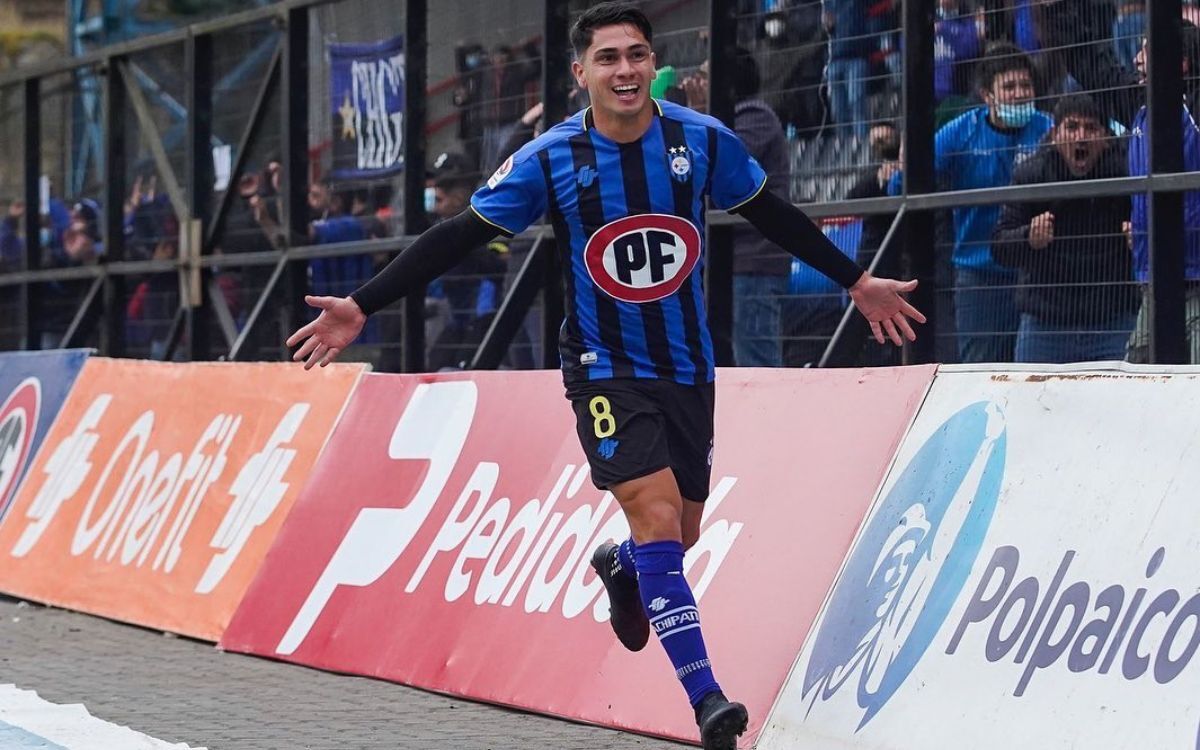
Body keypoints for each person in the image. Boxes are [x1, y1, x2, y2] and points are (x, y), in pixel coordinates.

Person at [284, 4, 924, 747]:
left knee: (675, 536)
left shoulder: (700, 140)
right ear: (580, 72)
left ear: (654, 65)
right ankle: (708, 700)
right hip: (603, 365)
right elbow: (460, 235)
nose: (625, 70)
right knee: (654, 516)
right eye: (610, 58)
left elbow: (772, 216)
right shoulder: (552, 158)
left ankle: (623, 570)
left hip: (686, 364)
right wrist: (362, 305)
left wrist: (855, 281)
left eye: (638, 56)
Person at [891, 43, 1053, 363]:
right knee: (979, 367)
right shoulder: (962, 131)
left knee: (1036, 366)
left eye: (1026, 85)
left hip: (1037, 267)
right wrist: (899, 171)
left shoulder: (1048, 127)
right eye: (1009, 87)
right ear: (986, 95)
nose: (1020, 93)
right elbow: (908, 180)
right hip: (979, 272)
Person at [992, 94, 1138, 363]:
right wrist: (1028, 238)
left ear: (1106, 138)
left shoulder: (1127, 174)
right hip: (1045, 327)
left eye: (1091, 128)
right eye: (1071, 127)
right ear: (1054, 135)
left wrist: (1141, 240)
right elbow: (999, 246)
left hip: (1112, 325)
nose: (1080, 136)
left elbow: (1160, 239)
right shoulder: (1031, 175)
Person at [681, 52, 792, 367]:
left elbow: (712, 165)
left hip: (752, 259)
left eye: (705, 77)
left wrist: (697, 114)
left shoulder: (756, 116)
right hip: (723, 260)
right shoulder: (720, 123)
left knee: (756, 361)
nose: (696, 84)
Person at [1126, 21, 1200, 364]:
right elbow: (1093, 67)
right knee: (1137, 374)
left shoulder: (1193, 111)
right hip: (1153, 281)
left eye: (1146, 50)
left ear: (1180, 62)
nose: (1137, 60)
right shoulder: (1140, 114)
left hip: (1196, 277)